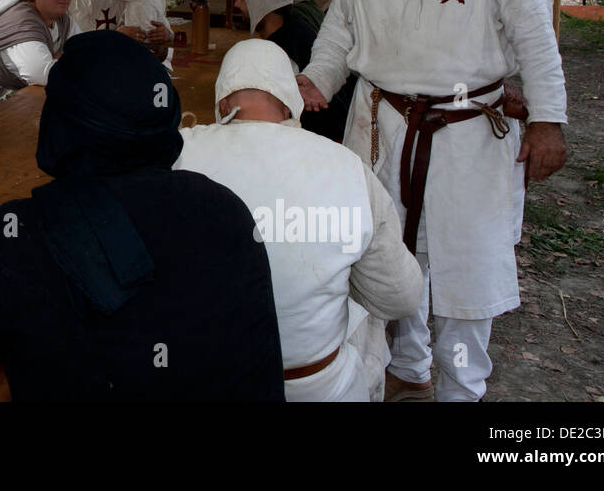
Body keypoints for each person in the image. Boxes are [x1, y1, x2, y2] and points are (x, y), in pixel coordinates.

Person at [296, 0, 567, 402]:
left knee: (464, 261)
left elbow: (533, 33)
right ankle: (408, 366)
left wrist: (548, 118)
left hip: (466, 132)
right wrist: (316, 79)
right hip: (380, 123)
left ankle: (463, 388)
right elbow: (340, 30)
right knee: (388, 253)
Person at [0, 30, 285, 401]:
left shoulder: (18, 239)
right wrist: (30, 228)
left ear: (62, 124)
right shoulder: (223, 208)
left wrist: (9, 236)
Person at [176, 40, 422, 401]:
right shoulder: (347, 166)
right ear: (291, 102)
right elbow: (400, 298)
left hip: (202, 379)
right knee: (362, 314)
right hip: (317, 388)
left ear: (223, 102)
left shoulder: (177, 150)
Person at [236, 0, 354, 143]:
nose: (236, 3)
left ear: (259, 3)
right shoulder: (297, 26)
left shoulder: (281, 53)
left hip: (322, 144)